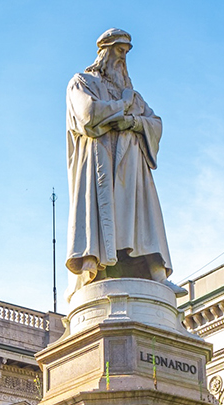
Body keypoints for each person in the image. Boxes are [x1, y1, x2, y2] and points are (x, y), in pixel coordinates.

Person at [64, 29, 178, 294]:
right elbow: (88, 114)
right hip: (99, 162)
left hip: (132, 166)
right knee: (101, 216)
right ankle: (94, 267)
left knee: (140, 217)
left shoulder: (131, 94)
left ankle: (156, 273)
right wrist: (122, 107)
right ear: (104, 51)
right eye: (118, 50)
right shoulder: (82, 82)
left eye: (126, 52)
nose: (122, 58)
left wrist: (133, 122)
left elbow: (155, 123)